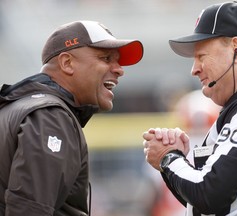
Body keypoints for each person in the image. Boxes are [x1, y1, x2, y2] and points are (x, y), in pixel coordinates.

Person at [143, 1, 237, 215]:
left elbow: (208, 194)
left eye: (201, 56)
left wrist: (168, 157)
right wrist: (176, 160)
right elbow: (202, 203)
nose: (194, 70)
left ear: (236, 50)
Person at [0, 20, 143, 216]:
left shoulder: (20, 107)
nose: (119, 69)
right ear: (67, 63)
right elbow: (29, 210)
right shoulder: (49, 116)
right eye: (106, 58)